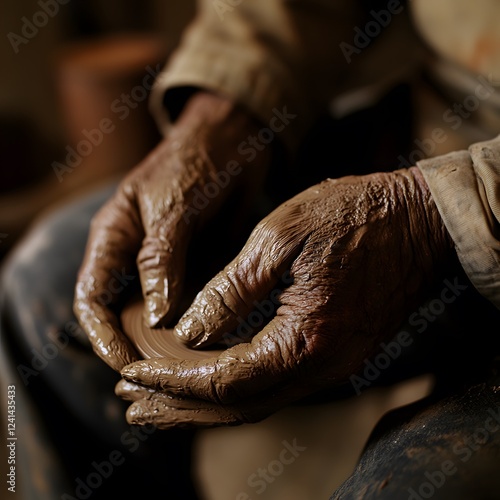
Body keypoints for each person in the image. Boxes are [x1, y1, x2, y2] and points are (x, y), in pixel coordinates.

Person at [2, 0, 500, 498]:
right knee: (44, 282)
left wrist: (432, 216)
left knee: (408, 486)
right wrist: (224, 108)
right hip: (444, 123)